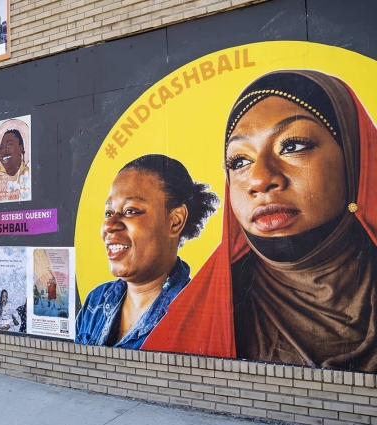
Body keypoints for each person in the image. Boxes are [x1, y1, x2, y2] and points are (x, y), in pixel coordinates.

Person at [143, 70, 377, 372]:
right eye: (239, 162)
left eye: (292, 145)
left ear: (354, 157)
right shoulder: (198, 318)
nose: (260, 179)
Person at [75, 154, 219, 349]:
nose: (109, 225)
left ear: (175, 220)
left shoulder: (197, 318)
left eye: (131, 211)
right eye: (108, 213)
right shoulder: (96, 302)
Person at [0, 129, 30, 201]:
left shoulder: (29, 175)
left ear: (20, 148)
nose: (4, 149)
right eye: (1, 148)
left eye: (9, 145)